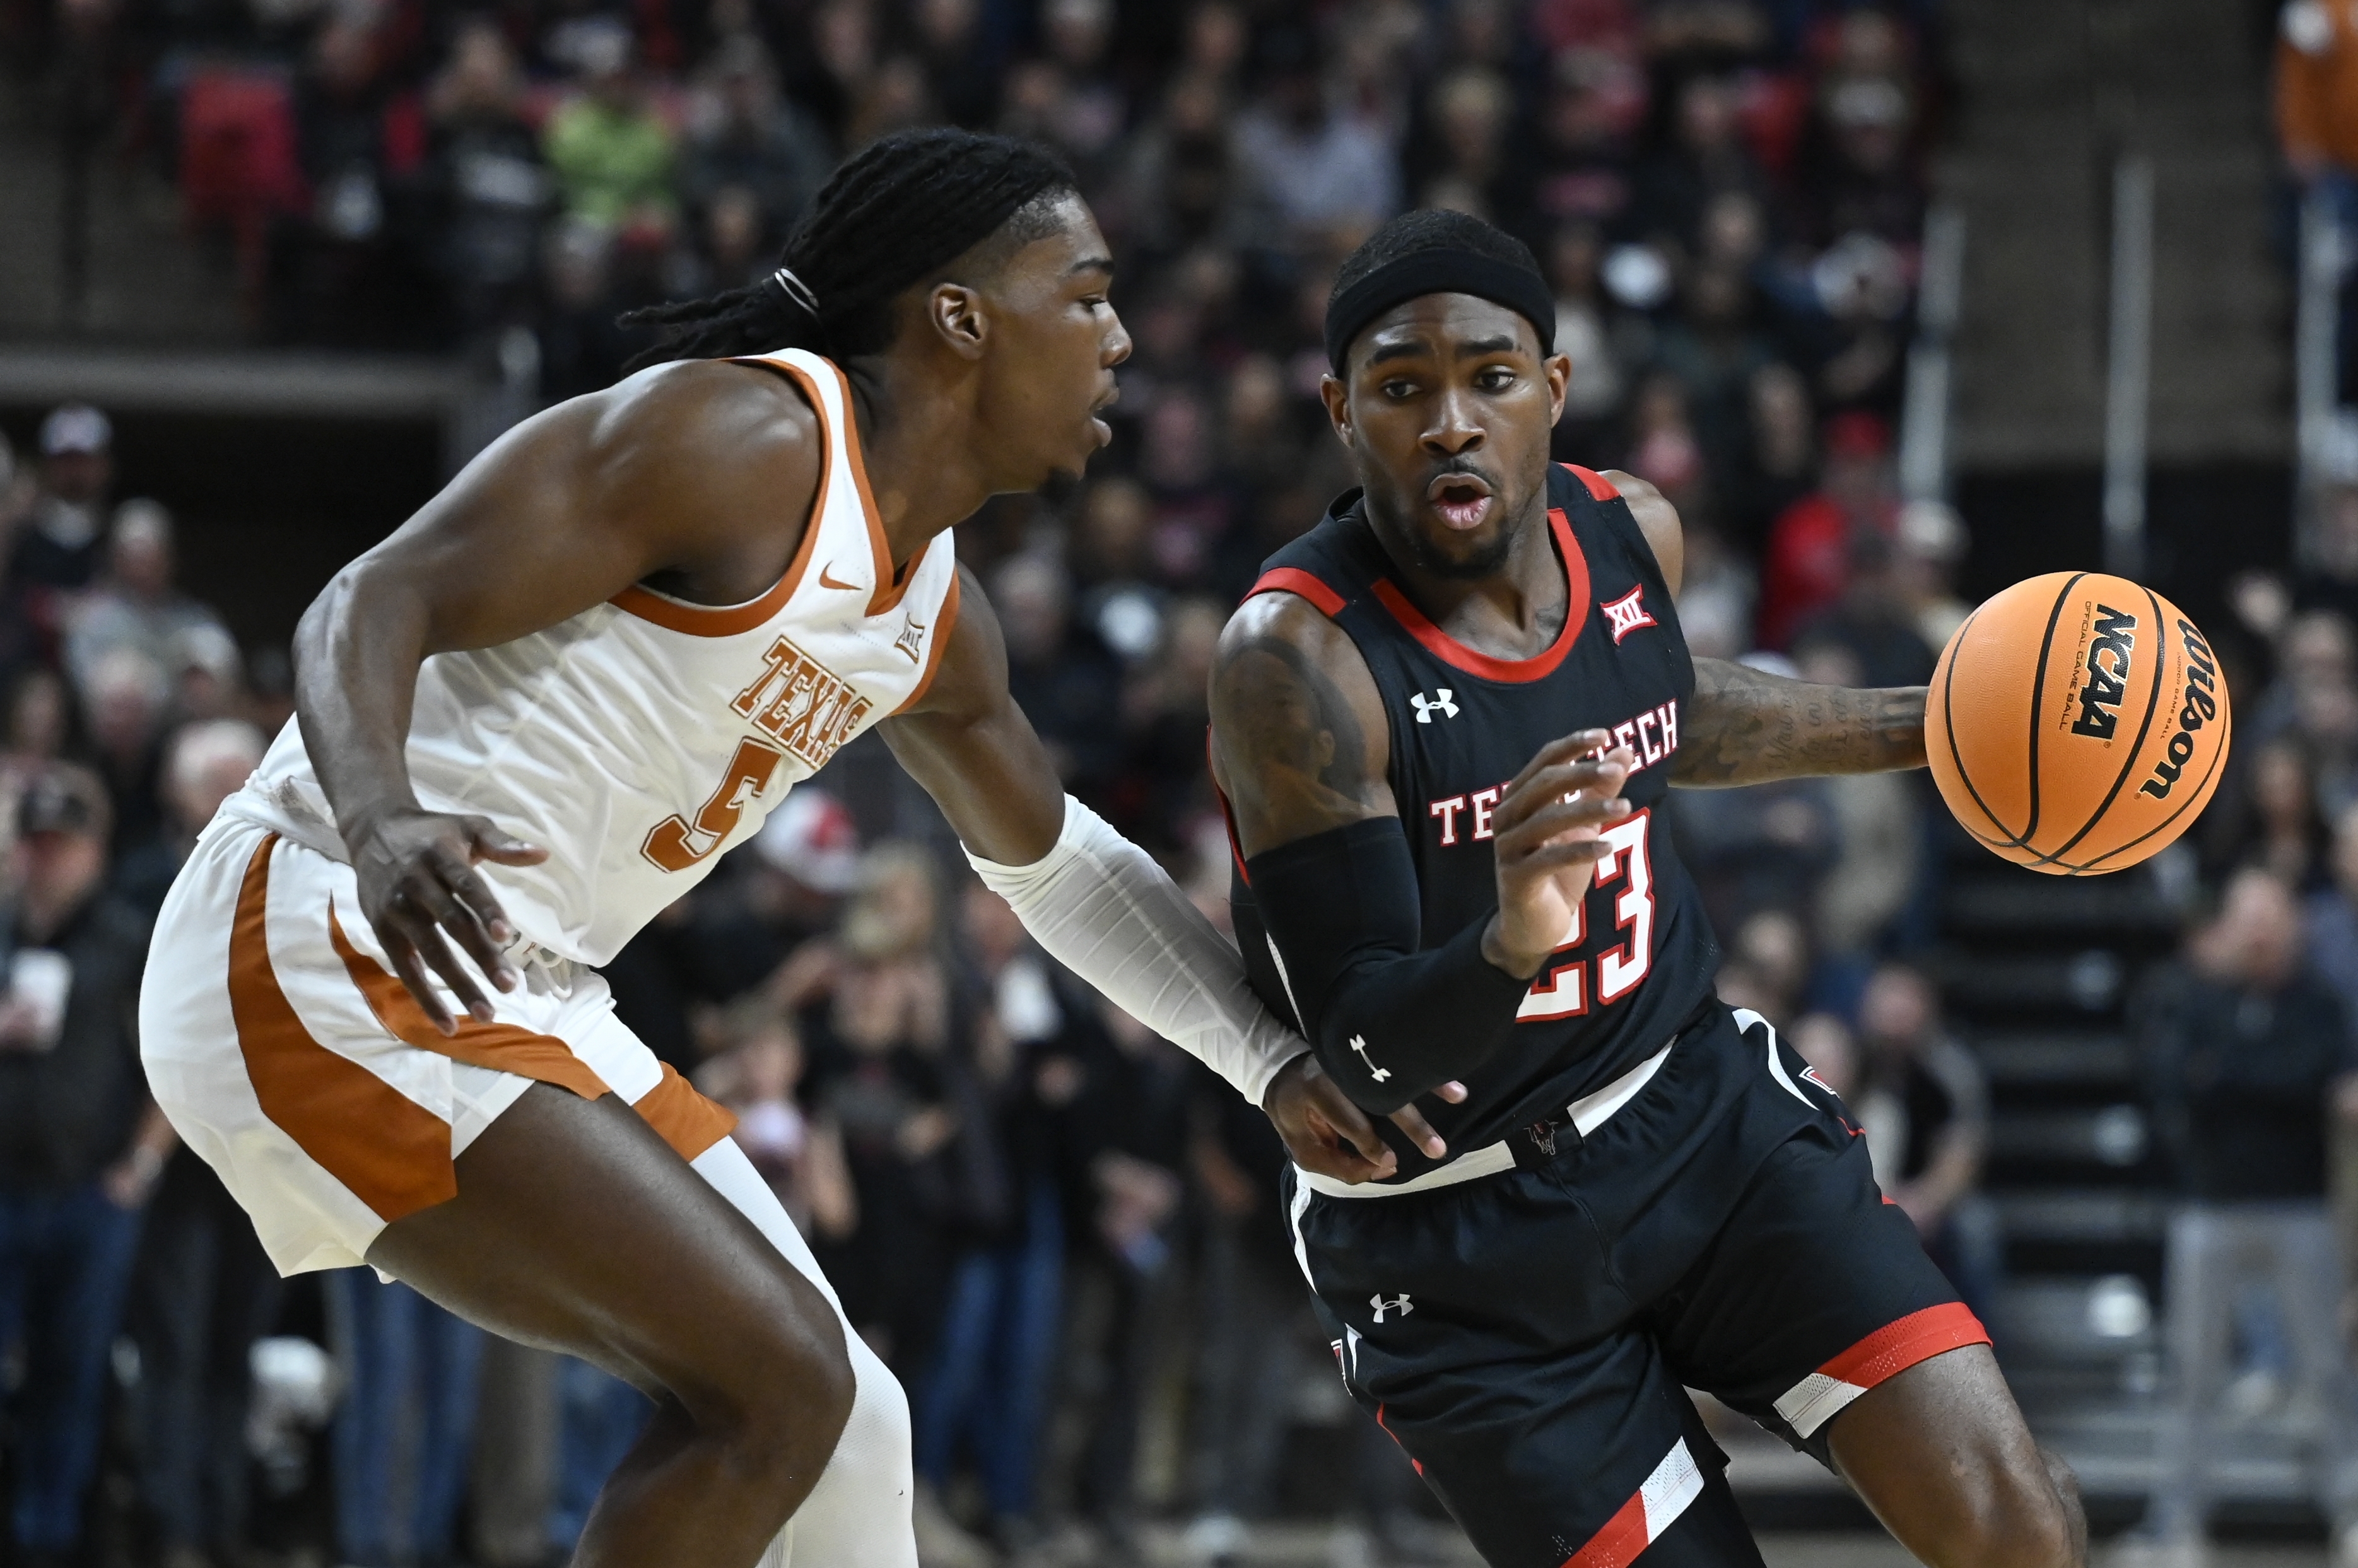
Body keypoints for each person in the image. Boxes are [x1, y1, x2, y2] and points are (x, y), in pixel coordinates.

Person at [138, 129, 1364, 1568]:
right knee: (775, 1387)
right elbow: (368, 599)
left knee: (850, 1431)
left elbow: (1055, 863)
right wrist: (383, 811)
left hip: (525, 985)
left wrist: (1267, 1060)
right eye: (1085, 296)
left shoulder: (933, 616)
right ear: (961, 319)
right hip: (328, 923)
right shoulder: (744, 441)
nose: (1121, 337)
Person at [1206, 208, 2084, 1568]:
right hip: (1459, 1245)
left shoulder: (1627, 530)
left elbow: (1675, 710)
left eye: (1490, 378)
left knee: (2019, 1526)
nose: (1450, 420)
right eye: (1400, 387)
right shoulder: (1294, 663)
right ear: (1340, 411)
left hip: (1697, 1121)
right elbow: (1362, 1055)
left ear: (1552, 390)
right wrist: (1510, 943)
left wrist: (1934, 721)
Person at [2132, 867, 2358, 1564]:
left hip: (2300, 1206)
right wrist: (2268, 1083)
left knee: (2327, 1368)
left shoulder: (2319, 1002)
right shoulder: (2197, 998)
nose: (2260, 930)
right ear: (2229, 924)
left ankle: (2349, 1512)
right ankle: (2180, 1523)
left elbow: (2308, 1080)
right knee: (2193, 1371)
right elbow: (2180, 1085)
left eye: (2272, 915)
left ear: (2292, 924)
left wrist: (2234, 1077)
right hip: (2209, 1206)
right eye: (2247, 915)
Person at [0, 764, 173, 1568]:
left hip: (86, 1194)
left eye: (62, 845)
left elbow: (170, 1065)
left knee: (73, 1375)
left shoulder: (126, 939)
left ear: (94, 851)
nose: (49, 859)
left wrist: (137, 1166)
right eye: (37, 844)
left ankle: (50, 1536)